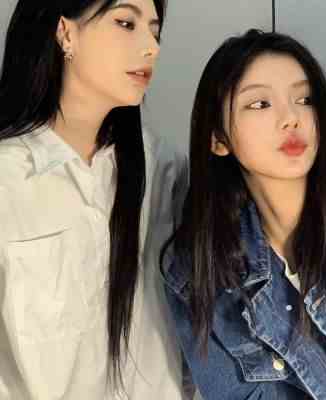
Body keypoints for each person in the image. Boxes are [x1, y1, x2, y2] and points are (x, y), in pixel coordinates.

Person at [162, 29, 326, 400]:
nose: (291, 118)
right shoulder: (199, 274)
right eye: (260, 104)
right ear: (218, 139)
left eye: (305, 99)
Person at [0, 0, 187, 399]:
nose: (151, 47)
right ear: (66, 32)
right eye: (126, 23)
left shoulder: (164, 170)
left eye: (155, 31)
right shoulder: (8, 180)